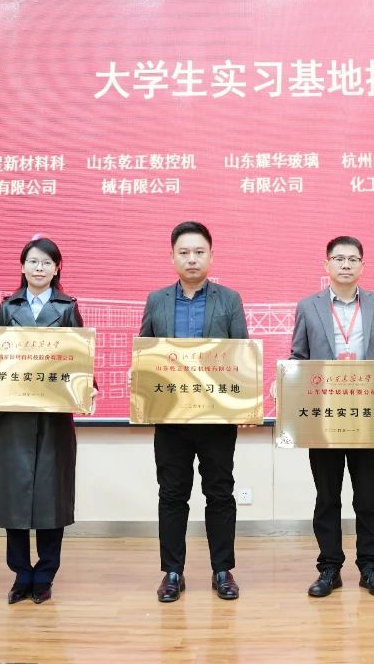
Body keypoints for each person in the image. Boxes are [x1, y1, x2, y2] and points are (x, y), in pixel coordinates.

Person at [139, 221, 248, 603]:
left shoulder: (229, 300)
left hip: (216, 418)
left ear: (210, 256)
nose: (191, 259)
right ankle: (172, 572)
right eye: (184, 252)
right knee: (172, 495)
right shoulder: (156, 300)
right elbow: (145, 355)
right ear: (172, 257)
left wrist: (243, 404)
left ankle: (222, 570)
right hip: (171, 418)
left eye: (199, 252)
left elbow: (242, 355)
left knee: (220, 493)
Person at [290, 236, 374, 598]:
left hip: (367, 415)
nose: (346, 265)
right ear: (327, 265)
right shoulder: (308, 306)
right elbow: (298, 356)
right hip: (324, 417)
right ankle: (329, 568)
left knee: (367, 496)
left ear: (362, 266)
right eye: (339, 259)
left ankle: (370, 567)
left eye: (353, 259)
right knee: (327, 497)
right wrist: (284, 380)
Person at [0, 238, 82, 605]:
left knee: (51, 497)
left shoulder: (68, 308)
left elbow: (79, 360)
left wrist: (87, 386)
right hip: (15, 417)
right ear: (22, 266)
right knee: (15, 494)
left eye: (46, 263)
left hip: (54, 418)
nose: (39, 268)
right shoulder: (7, 307)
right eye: (33, 262)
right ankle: (21, 574)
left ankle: (45, 575)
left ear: (57, 268)